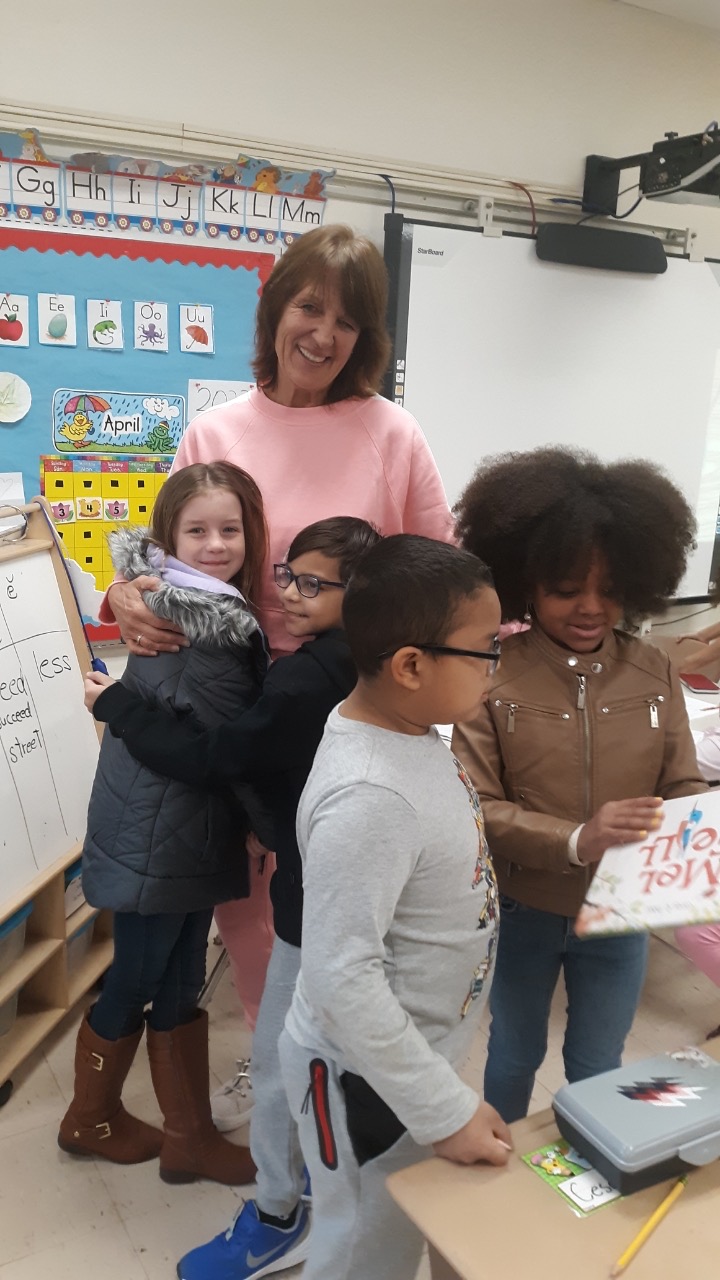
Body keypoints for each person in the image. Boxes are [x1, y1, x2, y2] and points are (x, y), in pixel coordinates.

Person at [99, 225, 454, 1126]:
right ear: (277, 310)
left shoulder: (392, 431)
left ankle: (336, 1070)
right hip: (233, 700)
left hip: (357, 704)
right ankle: (273, 1070)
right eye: (308, 308)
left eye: (347, 319)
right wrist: (125, 590)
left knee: (343, 900)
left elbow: (437, 571)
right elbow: (158, 553)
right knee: (249, 899)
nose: (323, 334)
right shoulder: (217, 427)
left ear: (366, 335)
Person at [85, 516, 382, 1280]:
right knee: (318, 1051)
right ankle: (296, 1189)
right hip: (328, 881)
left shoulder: (304, 674)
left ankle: (287, 1209)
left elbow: (220, 754)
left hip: (311, 886)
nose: (289, 593)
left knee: (290, 1056)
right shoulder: (376, 661)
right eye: (288, 575)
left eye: (312, 584)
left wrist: (115, 705)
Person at [451, 447, 708, 1125]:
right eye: (568, 588)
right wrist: (574, 838)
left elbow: (682, 780)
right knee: (512, 1053)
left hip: (621, 910)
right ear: (527, 585)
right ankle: (496, 1173)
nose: (591, 608)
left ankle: (588, 1160)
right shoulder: (492, 677)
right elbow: (476, 804)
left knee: (600, 1059)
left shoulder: (653, 670)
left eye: (610, 588)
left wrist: (698, 829)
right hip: (526, 906)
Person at [279, 534, 511, 1280]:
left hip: (410, 1057)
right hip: (361, 1077)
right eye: (486, 653)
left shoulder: (411, 730)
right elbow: (343, 977)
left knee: (397, 1227)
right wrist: (444, 1110)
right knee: (362, 1249)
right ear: (411, 665)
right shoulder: (370, 796)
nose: (496, 672)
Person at [59, 462, 269, 1187]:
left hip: (177, 821)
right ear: (169, 537)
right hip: (164, 823)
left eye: (230, 530)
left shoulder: (186, 599)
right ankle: (89, 1117)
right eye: (197, 531)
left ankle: (188, 1137)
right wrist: (261, 814)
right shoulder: (201, 619)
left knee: (179, 975)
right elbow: (218, 745)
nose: (215, 544)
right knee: (140, 975)